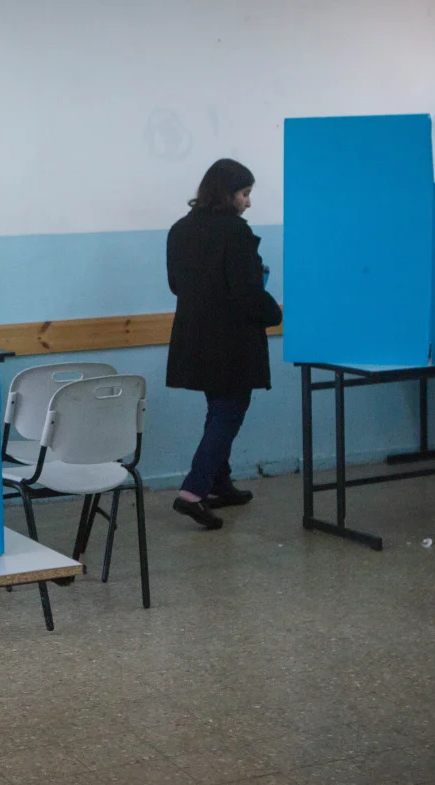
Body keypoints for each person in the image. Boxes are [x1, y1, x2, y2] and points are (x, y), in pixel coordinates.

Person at [165, 158, 283, 530]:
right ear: (227, 193)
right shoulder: (235, 233)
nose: (248, 202)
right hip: (231, 341)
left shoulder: (180, 230)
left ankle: (219, 483)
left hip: (195, 337)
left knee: (219, 409)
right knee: (230, 410)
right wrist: (274, 312)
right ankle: (193, 492)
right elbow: (247, 291)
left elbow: (176, 285)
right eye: (245, 194)